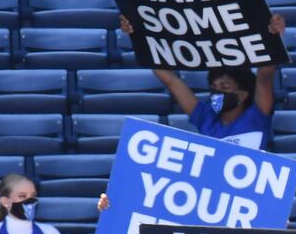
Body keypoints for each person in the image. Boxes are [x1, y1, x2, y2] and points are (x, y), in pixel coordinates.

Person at [120, 13, 287, 149]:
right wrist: (137, 35)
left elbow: (264, 78)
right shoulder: (205, 116)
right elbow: (171, 81)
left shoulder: (256, 116)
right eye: (213, 87)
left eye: (225, 87)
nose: (217, 93)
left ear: (242, 95)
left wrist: (273, 38)